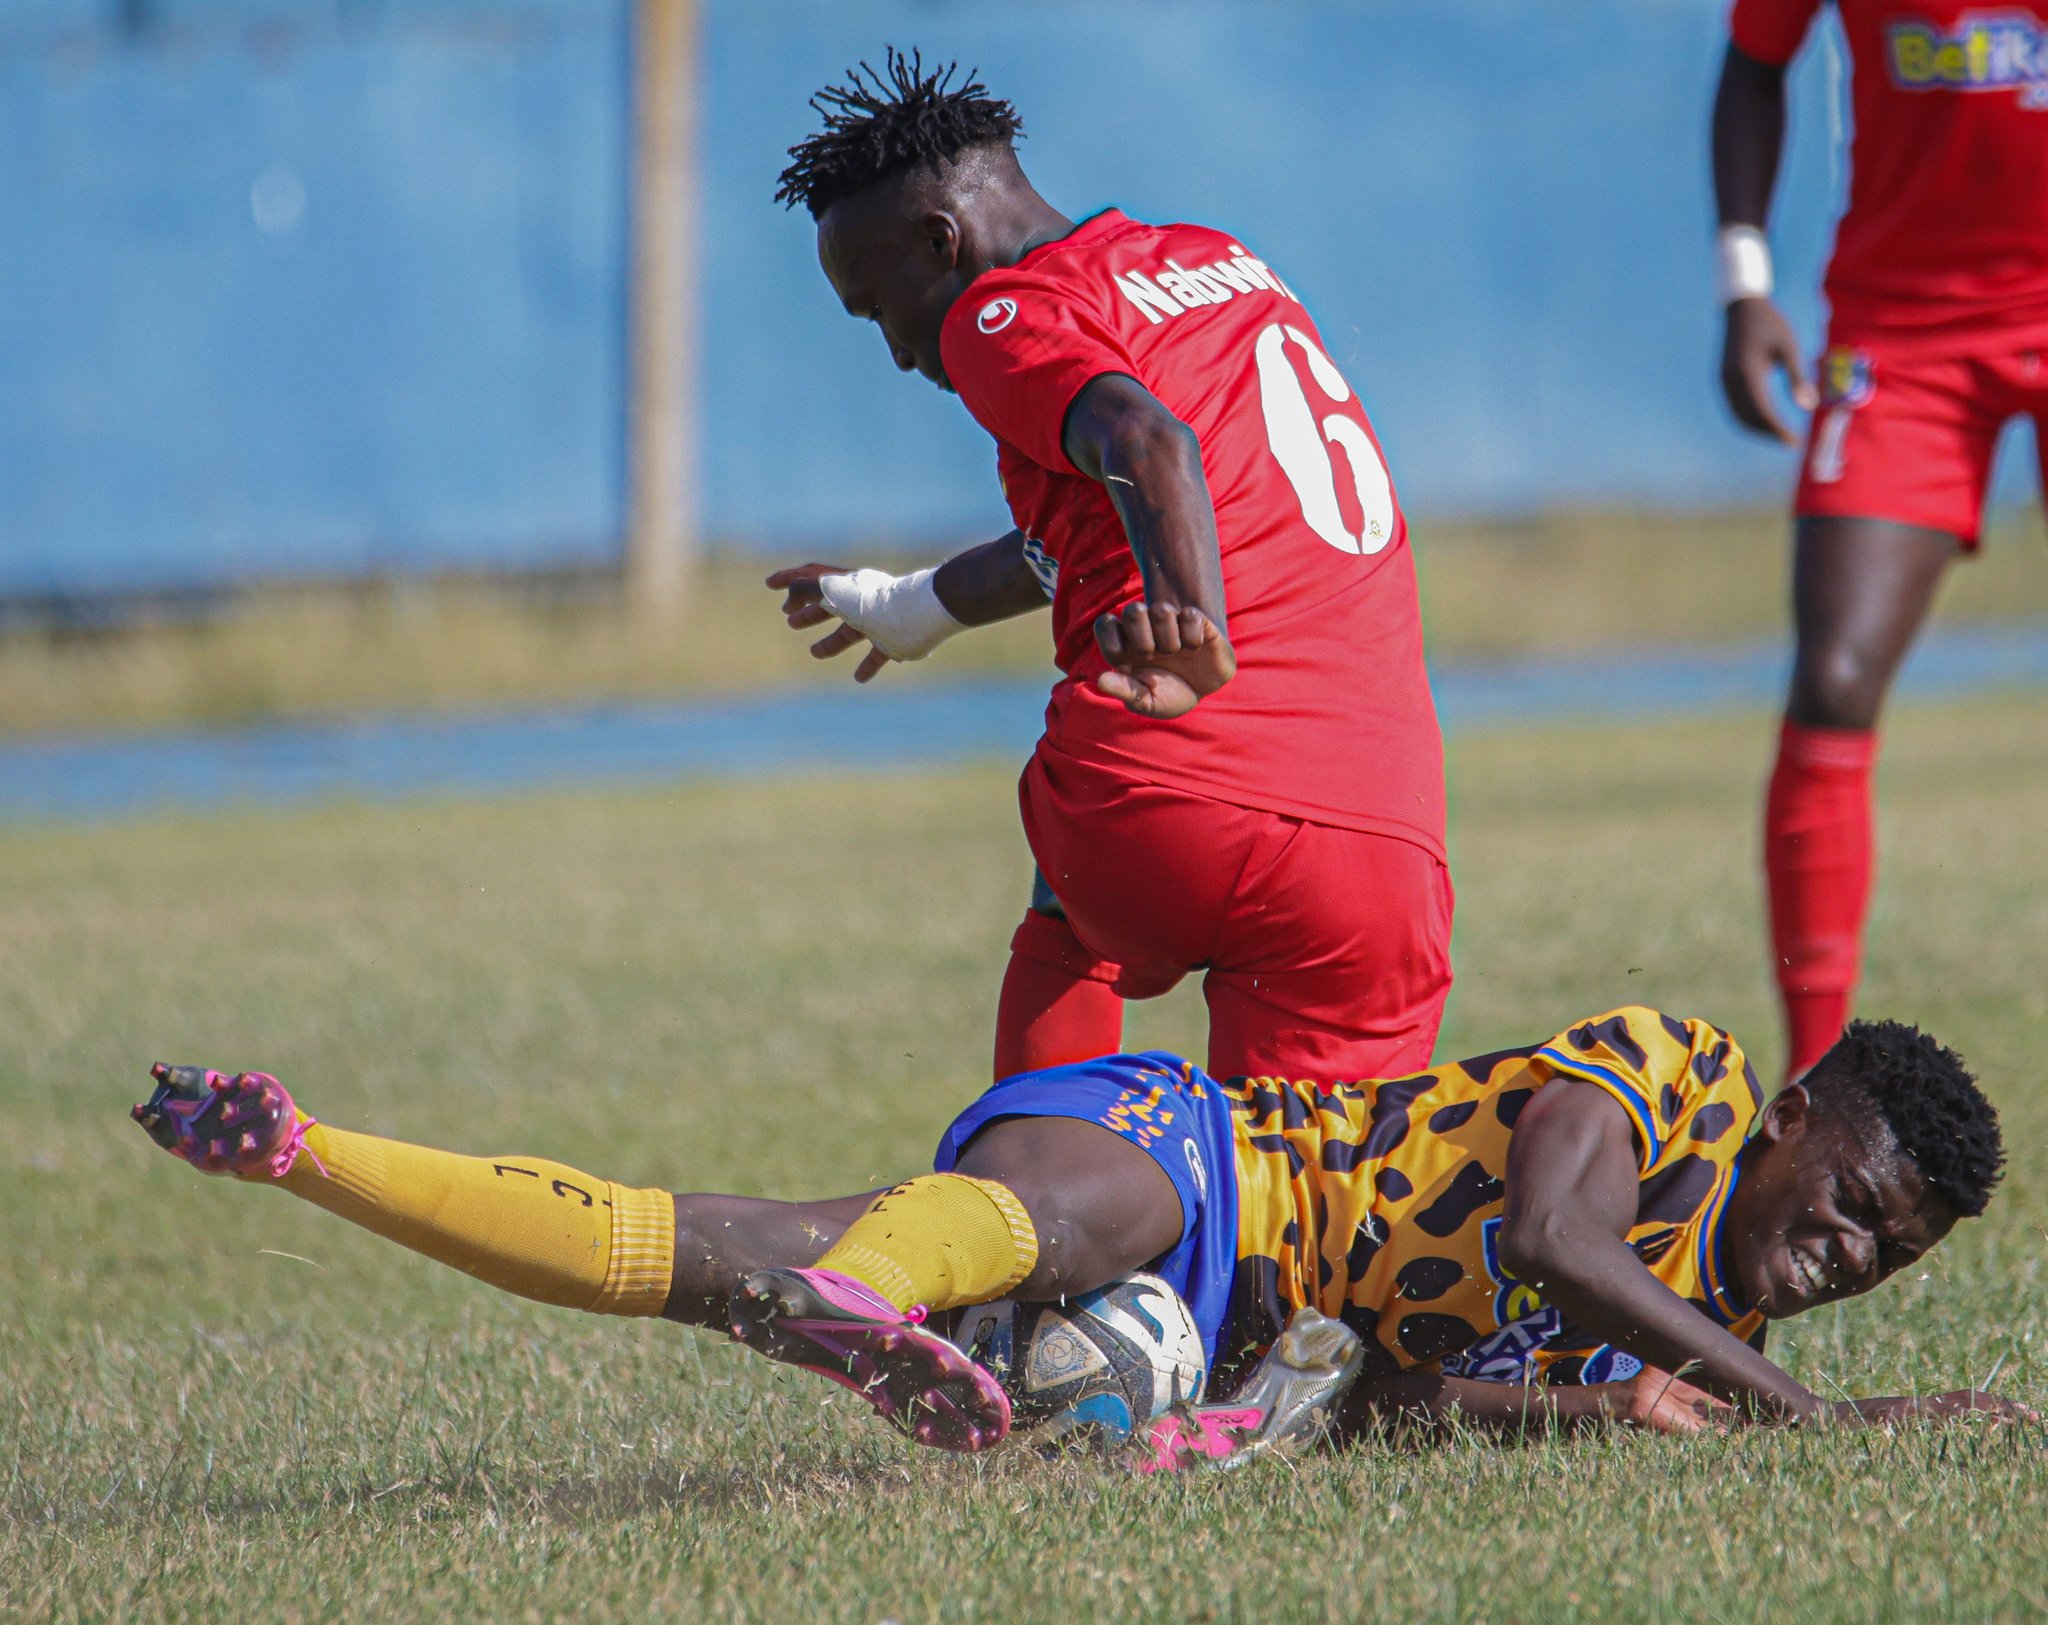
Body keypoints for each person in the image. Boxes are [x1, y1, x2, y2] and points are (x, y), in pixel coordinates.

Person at [132, 1005, 2020, 1459]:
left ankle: (305, 1156)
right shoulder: (1680, 1072)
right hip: (1211, 1159)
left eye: (1892, 1257)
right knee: (1063, 1215)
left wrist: (1585, 1415)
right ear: (1789, 1118)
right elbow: (1541, 1232)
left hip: (1227, 1340)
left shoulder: (1660, 1346)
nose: (1852, 1254)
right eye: (1853, 1202)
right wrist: (1811, 1416)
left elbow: (1388, 1395)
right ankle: (862, 1299)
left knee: (695, 1255)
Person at [764, 53, 1450, 1084]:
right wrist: (917, 606)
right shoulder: (1219, 261)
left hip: (1175, 790)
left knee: (1075, 896)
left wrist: (1190, 632)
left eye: (876, 308)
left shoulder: (999, 312)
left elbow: (1148, 442)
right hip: (1384, 842)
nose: (899, 352)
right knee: (1309, 1180)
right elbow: (1114, 524)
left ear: (940, 241)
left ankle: (1026, 1175)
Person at [1713, 1, 2048, 1078]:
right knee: (1833, 678)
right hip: (1903, 332)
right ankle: (1814, 1087)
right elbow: (1752, 63)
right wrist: (1744, 288)